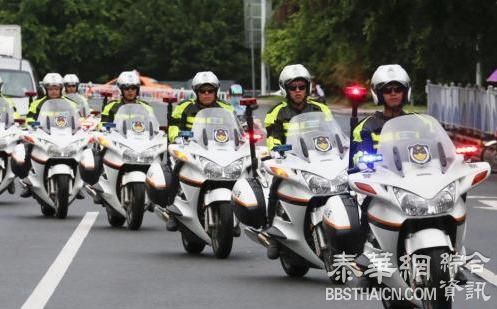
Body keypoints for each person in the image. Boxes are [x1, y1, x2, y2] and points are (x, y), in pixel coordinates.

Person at [264, 64, 333, 259]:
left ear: (308, 88)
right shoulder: (277, 111)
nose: (297, 91)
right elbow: (273, 136)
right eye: (293, 87)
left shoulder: (320, 109)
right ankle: (272, 232)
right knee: (276, 186)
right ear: (285, 89)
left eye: (301, 87)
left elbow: (332, 133)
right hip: (290, 160)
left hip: (319, 159)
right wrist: (276, 149)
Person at [164, 71, 234, 231]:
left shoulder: (226, 108)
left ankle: (234, 213)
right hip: (190, 149)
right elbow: (173, 126)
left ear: (216, 92)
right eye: (203, 91)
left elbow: (237, 128)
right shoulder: (185, 107)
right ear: (196, 92)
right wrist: (177, 137)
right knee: (176, 170)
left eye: (210, 91)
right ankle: (172, 210)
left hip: (220, 150)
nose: (207, 94)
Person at [20, 73, 79, 197]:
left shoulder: (71, 104)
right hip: (44, 134)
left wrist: (81, 127)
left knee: (81, 150)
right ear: (46, 89)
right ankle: (28, 181)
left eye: (56, 89)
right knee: (27, 148)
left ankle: (78, 184)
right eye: (50, 89)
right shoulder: (37, 103)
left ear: (61, 89)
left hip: (65, 135)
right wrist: (32, 124)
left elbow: (78, 120)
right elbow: (29, 118)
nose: (53, 92)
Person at [351, 64, 411, 166]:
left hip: (416, 175)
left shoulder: (418, 122)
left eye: (398, 89)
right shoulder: (366, 126)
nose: (393, 93)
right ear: (378, 94)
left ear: (405, 92)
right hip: (380, 177)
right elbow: (358, 157)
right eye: (387, 90)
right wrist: (362, 158)